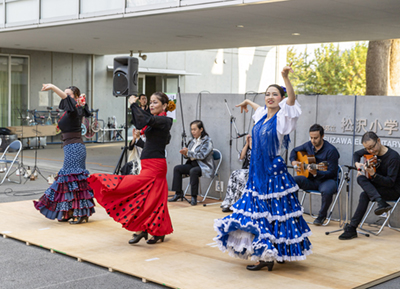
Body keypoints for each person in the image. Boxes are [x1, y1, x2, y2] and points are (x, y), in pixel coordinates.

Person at [214, 65, 312, 272]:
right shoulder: (261, 116)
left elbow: (291, 100)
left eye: (274, 94)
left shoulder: (283, 119)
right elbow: (259, 108)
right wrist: (248, 101)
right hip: (257, 172)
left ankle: (268, 255)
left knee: (274, 214)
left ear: (281, 98)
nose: (270, 97)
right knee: (260, 214)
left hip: (272, 173)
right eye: (267, 94)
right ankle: (272, 252)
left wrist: (285, 78)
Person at [88, 92, 175, 245]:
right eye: (151, 102)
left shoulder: (165, 120)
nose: (152, 105)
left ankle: (142, 229)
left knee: (134, 188)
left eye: (155, 102)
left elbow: (143, 120)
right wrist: (137, 140)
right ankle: (154, 231)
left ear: (165, 105)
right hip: (148, 163)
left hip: (156, 166)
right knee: (152, 200)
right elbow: (143, 130)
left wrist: (134, 104)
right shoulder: (155, 122)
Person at [33, 84, 95, 224]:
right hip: (72, 147)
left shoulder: (75, 109)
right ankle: (71, 211)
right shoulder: (71, 111)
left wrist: (52, 87)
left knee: (73, 180)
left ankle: (80, 213)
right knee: (71, 181)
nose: (66, 96)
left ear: (75, 98)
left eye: (69, 95)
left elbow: (68, 99)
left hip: (74, 147)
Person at [339, 131, 400, 240]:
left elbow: (390, 182)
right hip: (379, 188)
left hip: (393, 189)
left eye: (372, 147)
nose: (371, 151)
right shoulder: (371, 151)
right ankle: (380, 202)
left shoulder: (393, 157)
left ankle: (352, 228)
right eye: (367, 149)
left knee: (364, 195)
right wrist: (357, 164)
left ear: (379, 141)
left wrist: (373, 175)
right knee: (360, 177)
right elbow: (356, 154)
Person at [290, 124, 340, 226]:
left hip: (327, 180)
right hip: (311, 179)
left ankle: (321, 216)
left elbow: (332, 172)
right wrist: (293, 161)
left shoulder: (331, 151)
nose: (313, 141)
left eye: (316, 138)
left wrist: (317, 172)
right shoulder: (309, 145)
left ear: (322, 136)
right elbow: (294, 151)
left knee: (327, 190)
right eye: (311, 138)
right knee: (291, 181)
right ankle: (296, 210)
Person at [169, 120, 215, 206]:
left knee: (193, 171)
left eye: (194, 129)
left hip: (204, 166)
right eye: (191, 129)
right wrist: (185, 153)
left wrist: (188, 152)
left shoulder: (207, 141)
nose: (192, 132)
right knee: (177, 168)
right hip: (193, 164)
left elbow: (202, 155)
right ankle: (178, 193)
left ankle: (194, 197)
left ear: (201, 129)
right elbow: (188, 155)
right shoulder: (192, 140)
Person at [220, 135, 252, 213]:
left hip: (257, 170)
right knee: (235, 173)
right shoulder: (249, 141)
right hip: (246, 169)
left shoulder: (262, 142)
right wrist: (247, 144)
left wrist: (252, 147)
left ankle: (238, 204)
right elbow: (241, 157)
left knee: (242, 175)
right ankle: (229, 203)